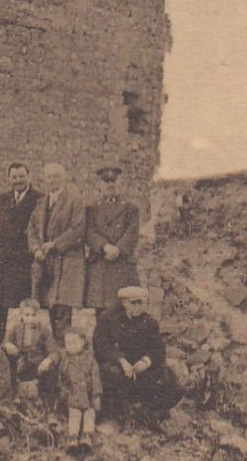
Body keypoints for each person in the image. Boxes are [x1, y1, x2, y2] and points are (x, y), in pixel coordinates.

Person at [93, 285, 182, 427]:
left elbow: (158, 349)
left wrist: (145, 362)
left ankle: (150, 415)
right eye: (134, 303)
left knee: (167, 377)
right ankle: (113, 418)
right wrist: (121, 360)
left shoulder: (149, 322)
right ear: (124, 303)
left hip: (139, 366)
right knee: (111, 375)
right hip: (116, 363)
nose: (139, 307)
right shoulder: (108, 319)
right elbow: (101, 345)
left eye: (142, 302)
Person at [28, 163, 88, 341]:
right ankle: (56, 349)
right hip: (46, 262)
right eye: (49, 177)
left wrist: (54, 244)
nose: (52, 180)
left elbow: (78, 229)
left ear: (64, 178)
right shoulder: (40, 203)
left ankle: (65, 349)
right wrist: (36, 248)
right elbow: (31, 228)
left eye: (56, 176)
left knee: (63, 308)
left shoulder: (75, 201)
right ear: (44, 179)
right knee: (50, 307)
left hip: (68, 262)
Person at [0, 162, 43, 338]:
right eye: (14, 177)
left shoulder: (40, 199)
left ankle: (24, 343)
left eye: (21, 176)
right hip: (1, 263)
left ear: (29, 177)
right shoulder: (1, 199)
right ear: (9, 178)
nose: (18, 180)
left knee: (25, 307)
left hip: (24, 264)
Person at [84, 165, 142, 313]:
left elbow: (132, 232)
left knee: (123, 307)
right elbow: (89, 231)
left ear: (120, 184)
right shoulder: (91, 208)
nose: (110, 185)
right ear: (99, 184)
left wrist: (118, 249)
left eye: (114, 181)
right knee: (101, 311)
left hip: (121, 264)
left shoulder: (131, 208)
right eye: (106, 181)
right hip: (100, 263)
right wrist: (104, 246)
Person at [1, 296, 59, 406]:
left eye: (34, 315)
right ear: (21, 315)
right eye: (27, 315)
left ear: (38, 315)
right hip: (19, 362)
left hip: (37, 364)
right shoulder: (16, 328)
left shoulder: (43, 330)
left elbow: (54, 351)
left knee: (51, 372)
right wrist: (8, 345)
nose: (30, 318)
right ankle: (11, 399)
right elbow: (4, 343)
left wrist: (48, 359)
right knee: (5, 363)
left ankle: (49, 407)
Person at [57, 326, 102, 456]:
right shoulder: (65, 361)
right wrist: (65, 393)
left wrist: (97, 395)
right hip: (74, 396)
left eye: (74, 342)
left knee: (89, 414)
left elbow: (96, 378)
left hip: (88, 396)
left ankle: (86, 437)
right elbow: (62, 379)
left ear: (83, 342)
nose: (70, 346)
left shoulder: (90, 359)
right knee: (74, 415)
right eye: (67, 343)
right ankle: (73, 437)